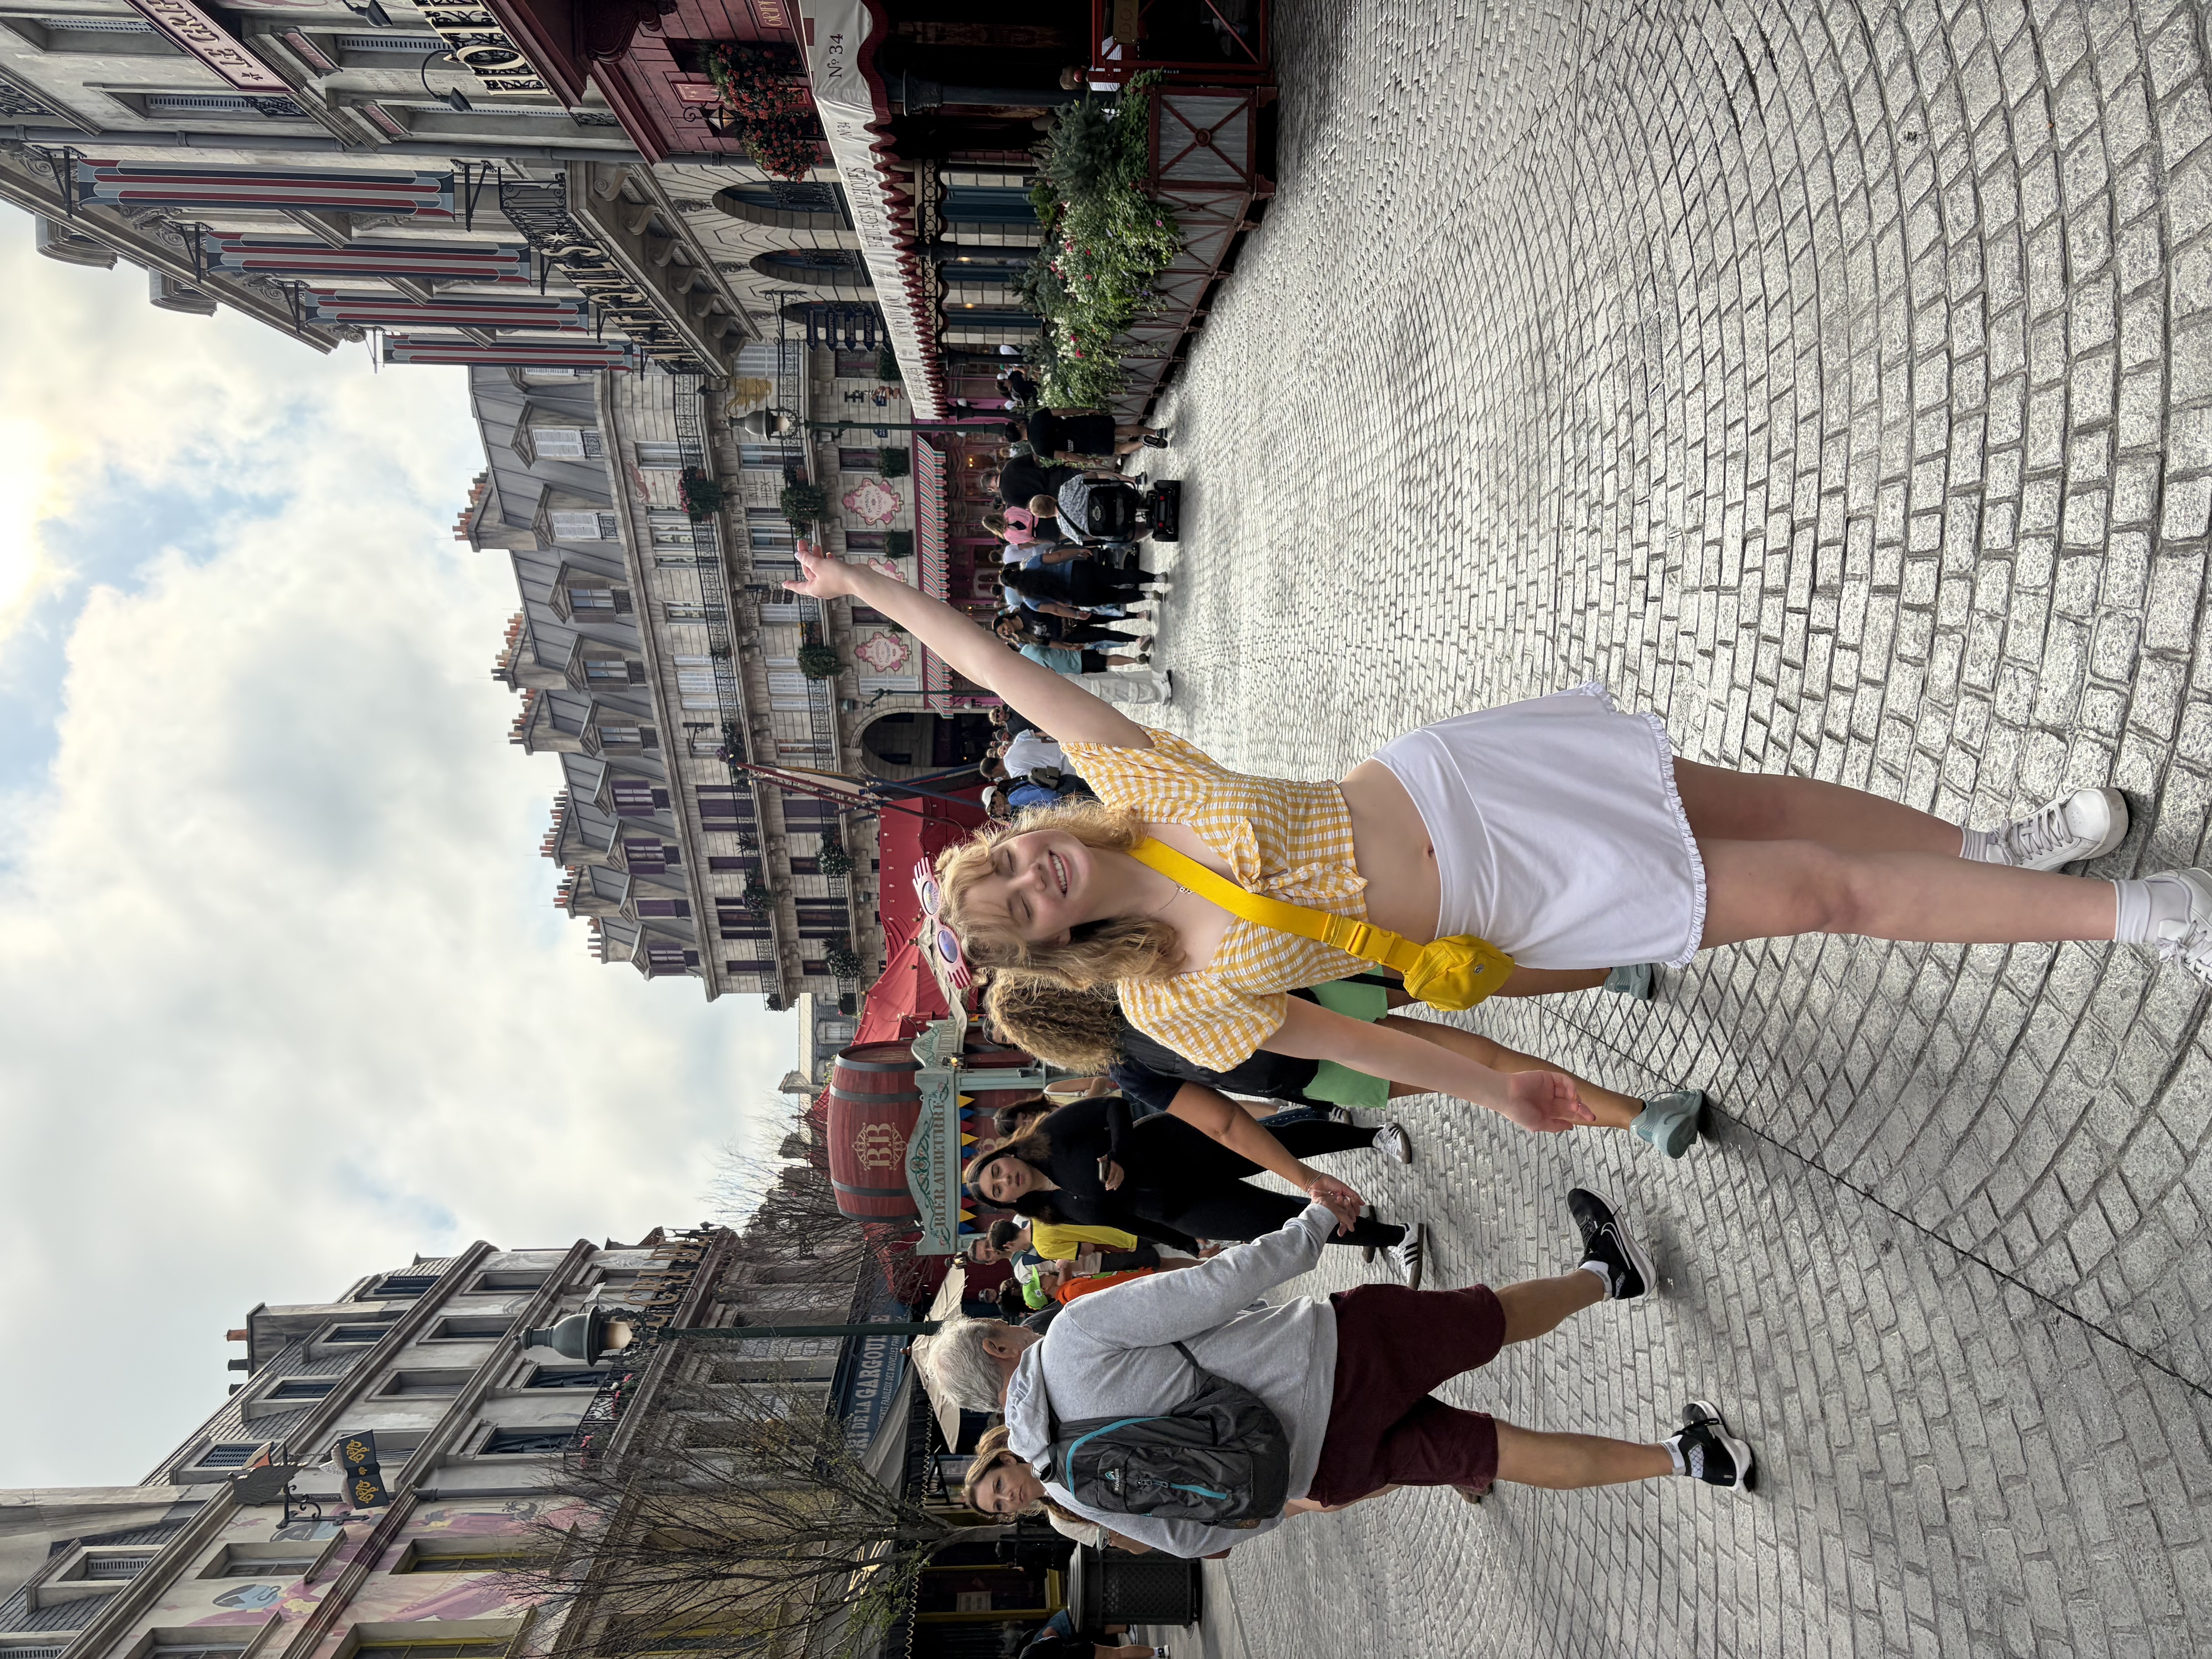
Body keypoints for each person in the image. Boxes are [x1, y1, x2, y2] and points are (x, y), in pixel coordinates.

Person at [778, 548, 2195, 1133]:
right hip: (1518, 906)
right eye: (1022, 904)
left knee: (1764, 804)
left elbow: (999, 663)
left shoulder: (1133, 783)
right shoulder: (1167, 1002)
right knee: (1820, 897)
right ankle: (2153, 917)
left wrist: (866, 587)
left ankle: (1993, 845)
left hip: (1464, 786)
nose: (1033, 873)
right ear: (1053, 947)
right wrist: (1499, 1079)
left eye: (1011, 858)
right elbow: (1362, 1037)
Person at [918, 1189, 1756, 1561]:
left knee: (1498, 1453)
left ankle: (1691, 1458)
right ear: (998, 1348)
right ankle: (1609, 1273)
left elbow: (1199, 1538)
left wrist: (1287, 1494)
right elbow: (1216, 1286)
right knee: (1486, 1319)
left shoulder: (1068, 1488)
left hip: (1319, 1468)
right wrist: (1315, 1223)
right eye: (1002, 1325)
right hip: (1331, 1357)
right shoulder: (1069, 1340)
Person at [983, 975, 1710, 1159]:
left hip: (1310, 1075)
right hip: (1316, 991)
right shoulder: (1137, 970)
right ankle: (1611, 971)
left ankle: (1641, 1119)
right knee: (1462, 975)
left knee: (1481, 1070)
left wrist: (1303, 1176)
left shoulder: (1128, 1068)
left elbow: (1227, 1124)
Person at [960, 1087, 1427, 1283]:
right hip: (1183, 1208)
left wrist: (1119, 1153)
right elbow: (1126, 1221)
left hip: (1181, 1147)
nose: (1005, 1180)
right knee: (1281, 1221)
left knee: (1283, 1144)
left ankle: (1372, 1136)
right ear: (1009, 1201)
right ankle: (1395, 1236)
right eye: (998, 1189)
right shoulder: (1052, 1212)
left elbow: (1113, 1107)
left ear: (1005, 1155)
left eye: (996, 1170)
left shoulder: (1051, 1136)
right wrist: (1186, 1242)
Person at [1000, 560, 1161, 617]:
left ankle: (1147, 595)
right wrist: (1077, 551)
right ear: (1014, 570)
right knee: (1119, 576)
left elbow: (1055, 609)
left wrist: (1076, 615)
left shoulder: (1030, 601)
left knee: (1115, 597)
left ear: (1012, 587)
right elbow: (1058, 557)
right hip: (1078, 571)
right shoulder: (1032, 564)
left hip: (1076, 596)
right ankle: (1156, 578)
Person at [1027, 407, 1168, 463]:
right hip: (1082, 425)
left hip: (1082, 444)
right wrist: (1085, 410)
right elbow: (1063, 412)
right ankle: (1155, 432)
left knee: (1119, 449)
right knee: (1121, 429)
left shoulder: (1039, 450)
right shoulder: (1037, 417)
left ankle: (1144, 443)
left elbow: (1065, 456)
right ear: (1018, 426)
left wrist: (1088, 461)